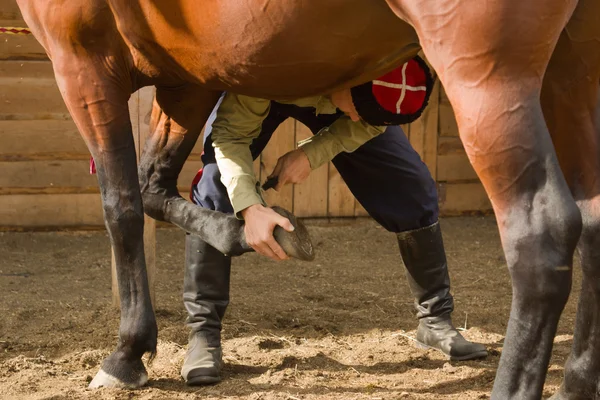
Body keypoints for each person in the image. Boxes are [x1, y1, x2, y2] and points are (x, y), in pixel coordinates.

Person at [181, 58, 488, 385]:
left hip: (341, 89)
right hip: (273, 82)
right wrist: (249, 208)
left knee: (413, 189)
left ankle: (435, 320)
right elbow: (228, 136)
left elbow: (369, 120)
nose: (357, 116)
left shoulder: (376, 67)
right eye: (357, 108)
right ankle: (203, 334)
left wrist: (311, 154)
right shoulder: (271, 67)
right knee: (213, 187)